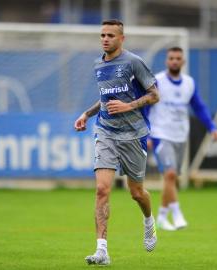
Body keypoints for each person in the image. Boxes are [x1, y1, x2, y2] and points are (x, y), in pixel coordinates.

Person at [74, 19, 159, 266]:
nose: (105, 39)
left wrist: (128, 106)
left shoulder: (133, 62)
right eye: (102, 35)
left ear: (122, 38)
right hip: (106, 132)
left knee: (136, 193)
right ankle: (102, 250)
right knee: (102, 189)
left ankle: (148, 221)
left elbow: (155, 95)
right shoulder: (98, 64)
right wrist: (86, 115)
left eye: (110, 35)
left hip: (134, 135)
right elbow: (105, 99)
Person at [148, 47, 217, 231]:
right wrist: (146, 133)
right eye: (171, 58)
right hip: (160, 134)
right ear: (166, 61)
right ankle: (177, 213)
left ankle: (163, 217)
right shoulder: (157, 81)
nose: (174, 61)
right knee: (170, 174)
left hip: (180, 136)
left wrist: (212, 127)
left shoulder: (189, 83)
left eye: (178, 58)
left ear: (183, 61)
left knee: (170, 179)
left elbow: (199, 107)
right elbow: (146, 108)